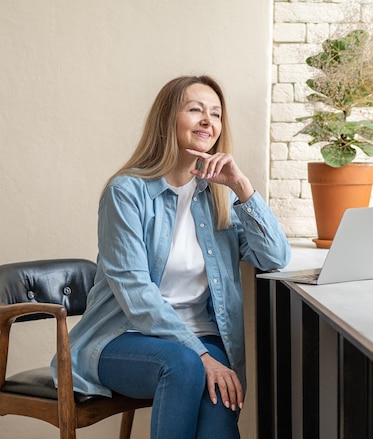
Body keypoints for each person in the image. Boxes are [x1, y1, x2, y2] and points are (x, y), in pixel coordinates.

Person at [51, 75, 290, 438]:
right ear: (167, 120)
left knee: (218, 407)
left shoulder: (216, 198)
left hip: (202, 337)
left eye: (216, 113)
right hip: (122, 337)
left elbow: (274, 256)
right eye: (195, 110)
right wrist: (201, 355)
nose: (208, 120)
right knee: (184, 366)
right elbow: (135, 292)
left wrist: (241, 186)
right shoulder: (126, 192)